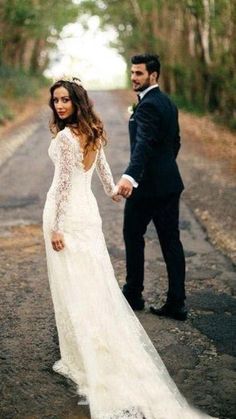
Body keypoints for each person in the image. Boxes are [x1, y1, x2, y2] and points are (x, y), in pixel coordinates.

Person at [43, 77, 216, 418]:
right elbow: (104, 174)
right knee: (91, 282)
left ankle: (81, 355)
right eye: (56, 101)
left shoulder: (66, 137)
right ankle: (91, 344)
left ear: (77, 101)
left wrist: (57, 227)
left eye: (65, 99)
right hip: (88, 214)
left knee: (73, 285)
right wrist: (112, 192)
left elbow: (63, 186)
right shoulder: (92, 130)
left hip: (66, 217)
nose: (60, 106)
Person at [116, 54, 187, 321]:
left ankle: (133, 294)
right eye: (132, 73)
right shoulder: (167, 103)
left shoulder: (146, 107)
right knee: (171, 241)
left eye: (139, 73)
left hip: (146, 187)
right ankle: (176, 303)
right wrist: (165, 168)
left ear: (153, 76)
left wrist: (131, 177)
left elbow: (143, 144)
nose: (133, 77)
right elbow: (174, 143)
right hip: (169, 183)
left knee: (133, 234)